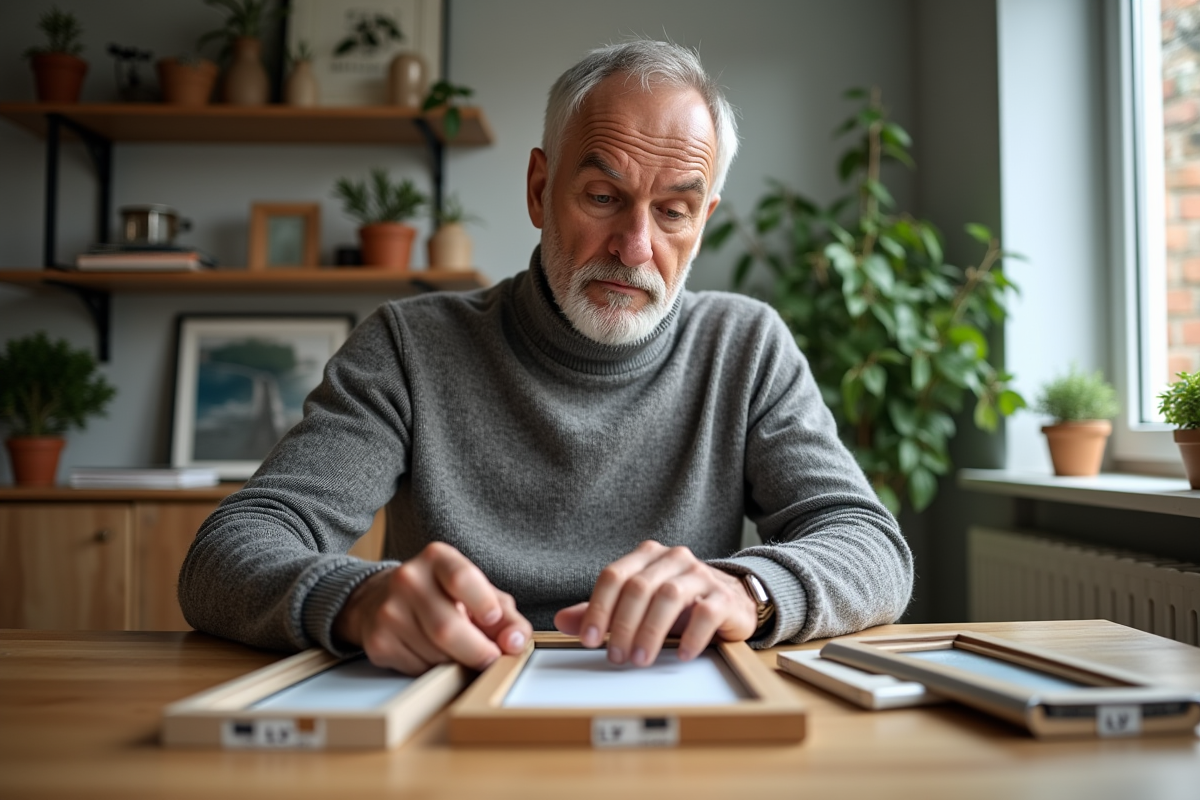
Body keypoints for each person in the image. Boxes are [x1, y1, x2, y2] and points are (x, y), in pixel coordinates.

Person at [178, 40, 913, 676]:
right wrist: (356, 598)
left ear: (705, 222)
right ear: (540, 188)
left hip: (669, 714)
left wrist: (746, 591)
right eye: (602, 195)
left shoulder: (746, 347)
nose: (635, 248)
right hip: (450, 711)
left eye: (673, 212)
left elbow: (873, 549)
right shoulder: (408, 346)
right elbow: (227, 554)